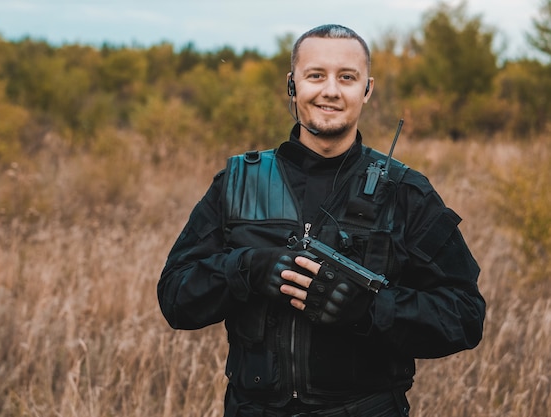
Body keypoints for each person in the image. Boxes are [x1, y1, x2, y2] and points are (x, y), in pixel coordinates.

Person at [158, 24, 485, 417]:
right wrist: (245, 269)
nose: (331, 90)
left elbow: (465, 315)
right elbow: (175, 298)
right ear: (292, 85)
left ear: (367, 89)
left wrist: (370, 310)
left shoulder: (406, 192)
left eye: (347, 77)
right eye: (316, 75)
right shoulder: (238, 182)